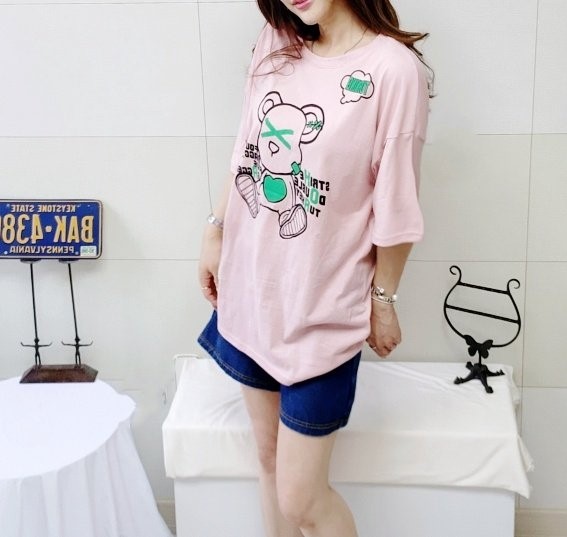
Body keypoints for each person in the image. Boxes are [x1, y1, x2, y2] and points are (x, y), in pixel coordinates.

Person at [197, 1, 431, 535]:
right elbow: (246, 148)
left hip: (322, 312)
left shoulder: (392, 70)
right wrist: (215, 230)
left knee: (302, 498)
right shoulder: (277, 40)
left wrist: (383, 300)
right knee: (267, 458)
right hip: (251, 294)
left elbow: (396, 205)